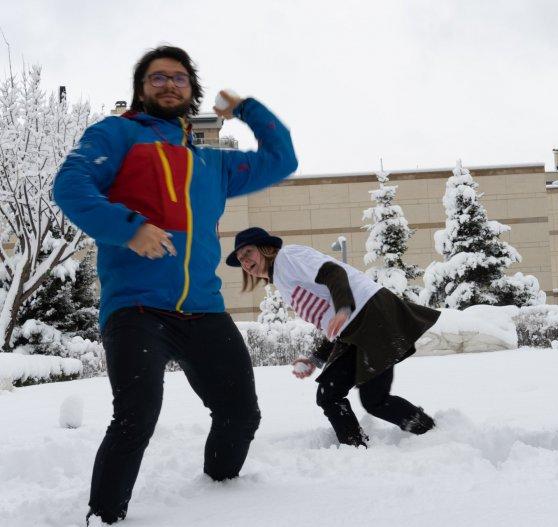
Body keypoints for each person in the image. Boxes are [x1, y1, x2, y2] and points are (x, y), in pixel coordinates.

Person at [53, 46, 298, 524]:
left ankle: (220, 494)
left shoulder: (212, 164)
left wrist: (246, 109)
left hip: (203, 309)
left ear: (192, 89)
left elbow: (281, 158)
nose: (169, 84)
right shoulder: (116, 135)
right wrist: (128, 228)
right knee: (136, 417)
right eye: (157, 77)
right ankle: (104, 517)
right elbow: (70, 185)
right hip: (137, 307)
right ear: (141, 89)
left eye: (179, 77)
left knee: (240, 414)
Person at [226, 227, 440, 447]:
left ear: (266, 248)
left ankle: (431, 432)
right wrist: (316, 358)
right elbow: (331, 322)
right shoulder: (281, 278)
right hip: (356, 327)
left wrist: (343, 307)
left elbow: (333, 272)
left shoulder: (287, 257)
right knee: (329, 393)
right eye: (240, 259)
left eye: (248, 252)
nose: (245, 261)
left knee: (374, 399)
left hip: (372, 315)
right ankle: (355, 448)